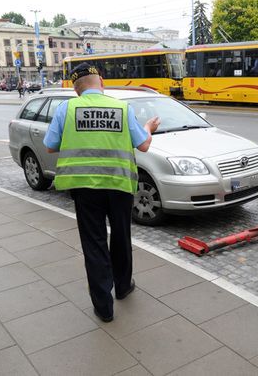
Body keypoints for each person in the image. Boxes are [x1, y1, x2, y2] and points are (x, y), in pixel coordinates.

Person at [43, 62, 160, 322]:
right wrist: (149, 128)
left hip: (84, 188)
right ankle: (123, 286)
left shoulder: (67, 108)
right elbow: (143, 145)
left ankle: (104, 308)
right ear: (102, 83)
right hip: (119, 186)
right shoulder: (122, 107)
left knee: (93, 244)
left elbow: (50, 146)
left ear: (76, 90)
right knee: (121, 237)